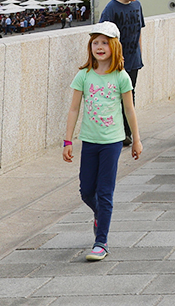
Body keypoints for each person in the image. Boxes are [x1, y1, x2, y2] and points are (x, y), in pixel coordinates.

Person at [61, 22, 141, 260]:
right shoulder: (83, 75)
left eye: (104, 42)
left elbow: (129, 109)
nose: (99, 47)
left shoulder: (121, 77)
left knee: (105, 192)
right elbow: (74, 109)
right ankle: (100, 213)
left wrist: (136, 139)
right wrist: (67, 141)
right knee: (86, 191)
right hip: (89, 141)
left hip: (113, 142)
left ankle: (101, 241)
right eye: (95, 42)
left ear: (114, 46)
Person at [99, 0, 145, 145]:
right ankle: (115, 130)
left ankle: (127, 132)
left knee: (129, 95)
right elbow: (103, 36)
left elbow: (139, 30)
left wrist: (140, 52)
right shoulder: (111, 8)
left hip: (133, 59)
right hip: (117, 62)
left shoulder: (137, 6)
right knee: (115, 96)